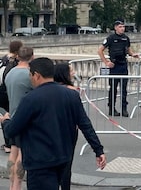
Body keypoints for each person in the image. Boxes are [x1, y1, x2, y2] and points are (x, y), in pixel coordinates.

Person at [1, 57, 106, 190]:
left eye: (30, 75)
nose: (30, 79)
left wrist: (5, 121)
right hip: (63, 157)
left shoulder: (30, 99)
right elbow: (85, 125)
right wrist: (98, 150)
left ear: (36, 75)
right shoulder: (71, 95)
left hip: (39, 161)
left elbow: (12, 130)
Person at [4, 46, 33, 190]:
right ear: (32, 57)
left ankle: (11, 185)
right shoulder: (29, 75)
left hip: (13, 116)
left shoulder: (10, 73)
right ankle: (17, 185)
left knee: (13, 152)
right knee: (22, 155)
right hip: (25, 119)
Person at [98, 20, 139, 117]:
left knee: (124, 88)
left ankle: (124, 109)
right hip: (114, 66)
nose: (122, 28)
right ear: (116, 27)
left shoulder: (126, 38)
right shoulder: (111, 38)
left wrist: (133, 54)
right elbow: (100, 50)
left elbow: (128, 50)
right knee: (113, 89)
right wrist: (106, 62)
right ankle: (111, 108)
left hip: (123, 65)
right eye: (120, 27)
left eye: (123, 27)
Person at [53, 62, 80, 190]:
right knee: (66, 165)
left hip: (54, 130)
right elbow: (81, 119)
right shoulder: (72, 92)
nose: (73, 73)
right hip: (68, 131)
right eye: (70, 71)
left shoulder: (51, 89)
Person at [0, 40, 23, 153]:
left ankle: (7, 142)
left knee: (4, 115)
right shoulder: (14, 61)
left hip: (0, 91)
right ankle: (12, 142)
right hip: (8, 90)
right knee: (12, 114)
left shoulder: (3, 59)